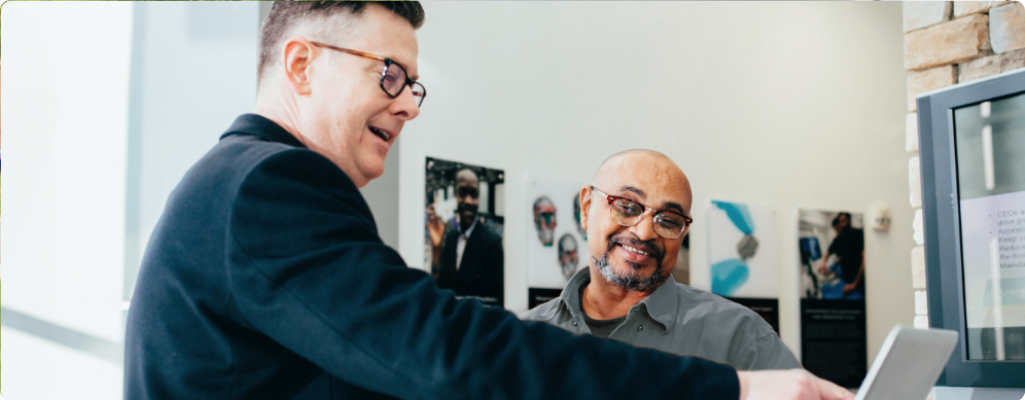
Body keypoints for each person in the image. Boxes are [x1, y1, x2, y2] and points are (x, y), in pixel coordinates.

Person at [124, 2, 853, 399]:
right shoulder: (269, 184)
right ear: (301, 63)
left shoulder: (238, 185)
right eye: (389, 75)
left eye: (413, 85)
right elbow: (440, 359)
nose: (408, 105)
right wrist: (737, 396)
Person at [521, 150, 801, 371]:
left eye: (668, 220)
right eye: (627, 206)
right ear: (586, 208)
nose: (644, 232)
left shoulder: (738, 338)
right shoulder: (523, 339)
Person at [432, 168, 504, 306]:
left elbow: (498, 300)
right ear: (455, 196)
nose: (469, 201)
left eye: (474, 194)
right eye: (463, 192)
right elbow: (441, 289)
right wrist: (437, 247)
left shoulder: (492, 243)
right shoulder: (451, 238)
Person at [817, 212, 865, 299]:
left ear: (849, 220)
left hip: (859, 281)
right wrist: (824, 264)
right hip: (845, 280)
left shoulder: (859, 234)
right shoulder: (838, 239)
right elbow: (828, 253)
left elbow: (865, 260)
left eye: (844, 221)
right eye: (841, 222)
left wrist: (855, 284)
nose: (842, 225)